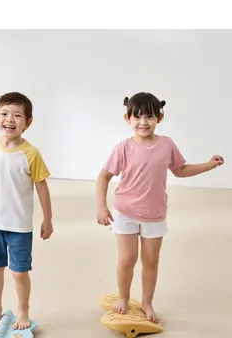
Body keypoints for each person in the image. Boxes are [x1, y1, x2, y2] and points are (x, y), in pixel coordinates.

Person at [96, 92, 224, 323]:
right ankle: (124, 298)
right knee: (127, 260)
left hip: (154, 214)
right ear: (127, 119)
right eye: (137, 117)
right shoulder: (123, 148)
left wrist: (208, 165)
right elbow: (104, 176)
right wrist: (101, 207)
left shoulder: (166, 145)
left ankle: (147, 303)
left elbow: (180, 170)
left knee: (151, 262)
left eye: (149, 116)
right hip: (125, 212)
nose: (143, 122)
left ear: (159, 118)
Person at [0, 92, 53, 330]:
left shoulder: (31, 154)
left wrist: (48, 219)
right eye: (4, 114)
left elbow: (42, 187)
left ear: (28, 123)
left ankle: (23, 310)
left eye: (17, 115)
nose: (10, 119)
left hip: (19, 227)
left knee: (19, 272)